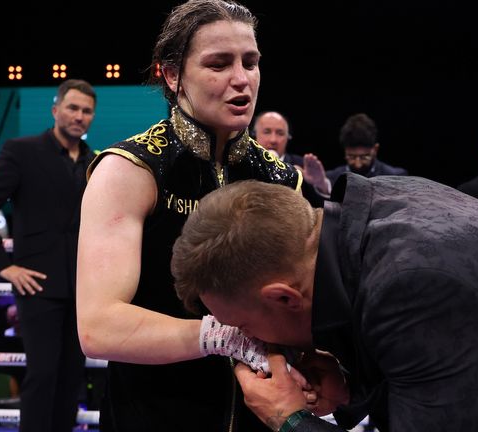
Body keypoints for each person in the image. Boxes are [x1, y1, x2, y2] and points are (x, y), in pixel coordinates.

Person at [171, 176, 478, 432]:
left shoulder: (415, 283)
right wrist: (351, 382)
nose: (253, 340)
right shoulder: (378, 206)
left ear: (282, 296)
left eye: (243, 324)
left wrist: (290, 420)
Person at [76, 1, 306, 430]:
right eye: (218, 64)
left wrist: (318, 362)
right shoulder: (129, 169)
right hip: (153, 417)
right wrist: (219, 336)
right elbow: (98, 327)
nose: (241, 79)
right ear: (171, 74)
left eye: (250, 62)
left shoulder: (281, 179)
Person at [0, 79, 97, 432]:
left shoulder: (95, 163)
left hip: (83, 288)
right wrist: (3, 266)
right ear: (55, 110)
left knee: (72, 376)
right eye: (72, 107)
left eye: (86, 111)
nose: (79, 116)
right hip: (36, 283)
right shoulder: (21, 151)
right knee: (42, 374)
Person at [253, 110, 327, 205]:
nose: (273, 140)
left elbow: (321, 207)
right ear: (254, 134)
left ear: (288, 138)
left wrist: (320, 185)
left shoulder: (303, 167)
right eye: (267, 132)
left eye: (280, 133)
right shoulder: (243, 162)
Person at [321, 112, 407, 194]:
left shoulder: (396, 178)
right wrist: (322, 185)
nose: (358, 164)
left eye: (364, 157)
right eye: (351, 156)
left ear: (375, 149)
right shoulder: (329, 179)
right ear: (345, 150)